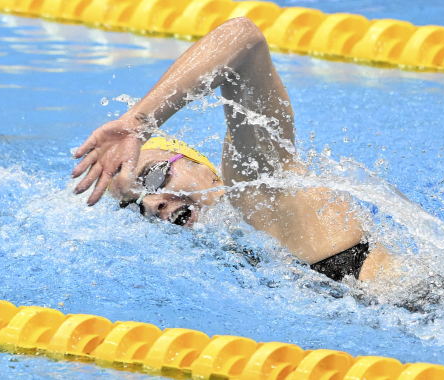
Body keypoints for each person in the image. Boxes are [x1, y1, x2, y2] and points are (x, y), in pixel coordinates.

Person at [71, 17, 391, 283]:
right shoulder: (224, 247)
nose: (152, 204)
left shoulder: (256, 187)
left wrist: (139, 120)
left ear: (203, 167)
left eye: (152, 178)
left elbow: (244, 39)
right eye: (134, 204)